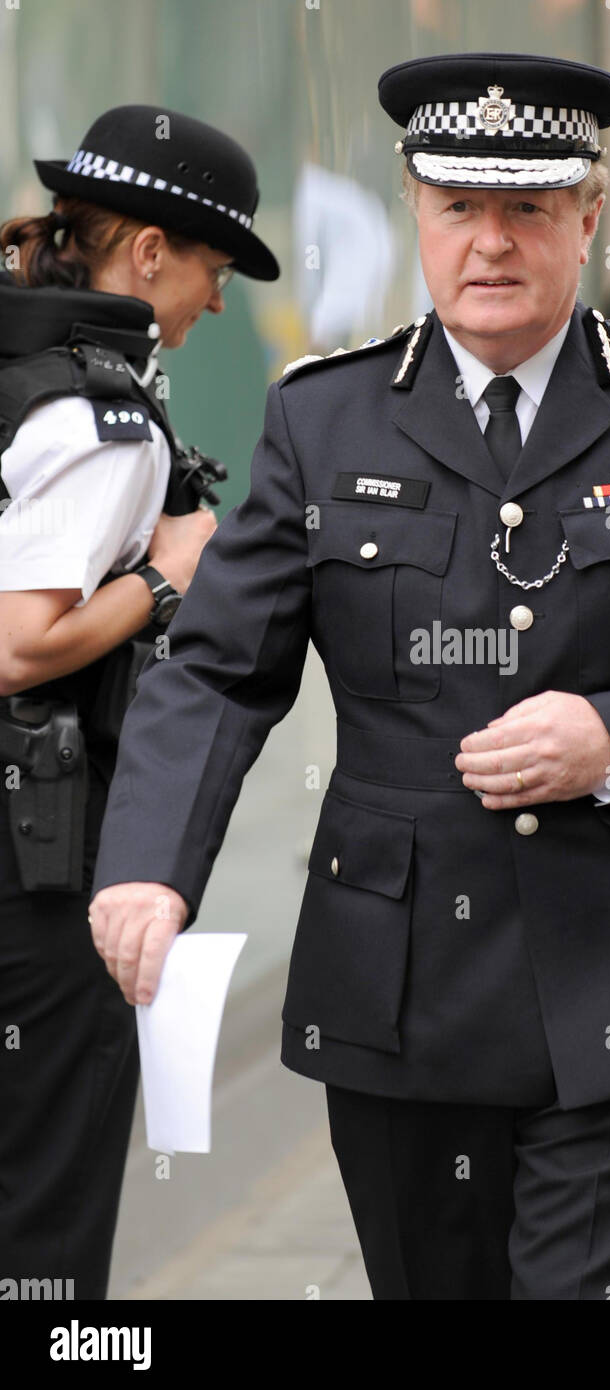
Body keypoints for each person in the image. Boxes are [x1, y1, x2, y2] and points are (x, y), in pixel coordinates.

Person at [88, 54, 610, 1301]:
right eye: (457, 208)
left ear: (586, 219)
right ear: (414, 214)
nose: (490, 242)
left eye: (528, 210)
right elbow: (218, 668)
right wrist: (151, 864)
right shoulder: (322, 419)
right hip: (400, 984)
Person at [0, 104, 279, 1299]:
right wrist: (174, 570)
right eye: (213, 266)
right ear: (151, 251)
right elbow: (21, 644)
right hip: (36, 860)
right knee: (47, 1191)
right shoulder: (99, 417)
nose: (216, 301)